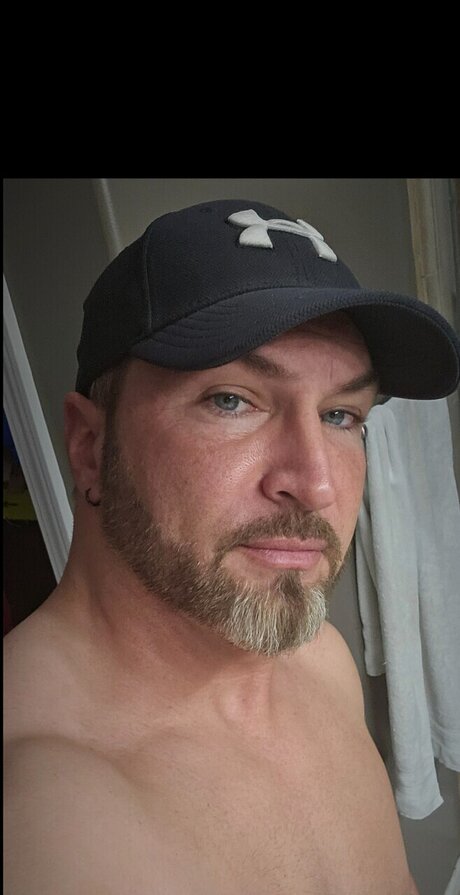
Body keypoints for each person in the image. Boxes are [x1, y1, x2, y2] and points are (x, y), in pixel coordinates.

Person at [4, 198, 459, 895]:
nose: (316, 484)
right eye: (231, 400)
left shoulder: (319, 661)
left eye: (342, 415)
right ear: (91, 447)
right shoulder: (43, 824)